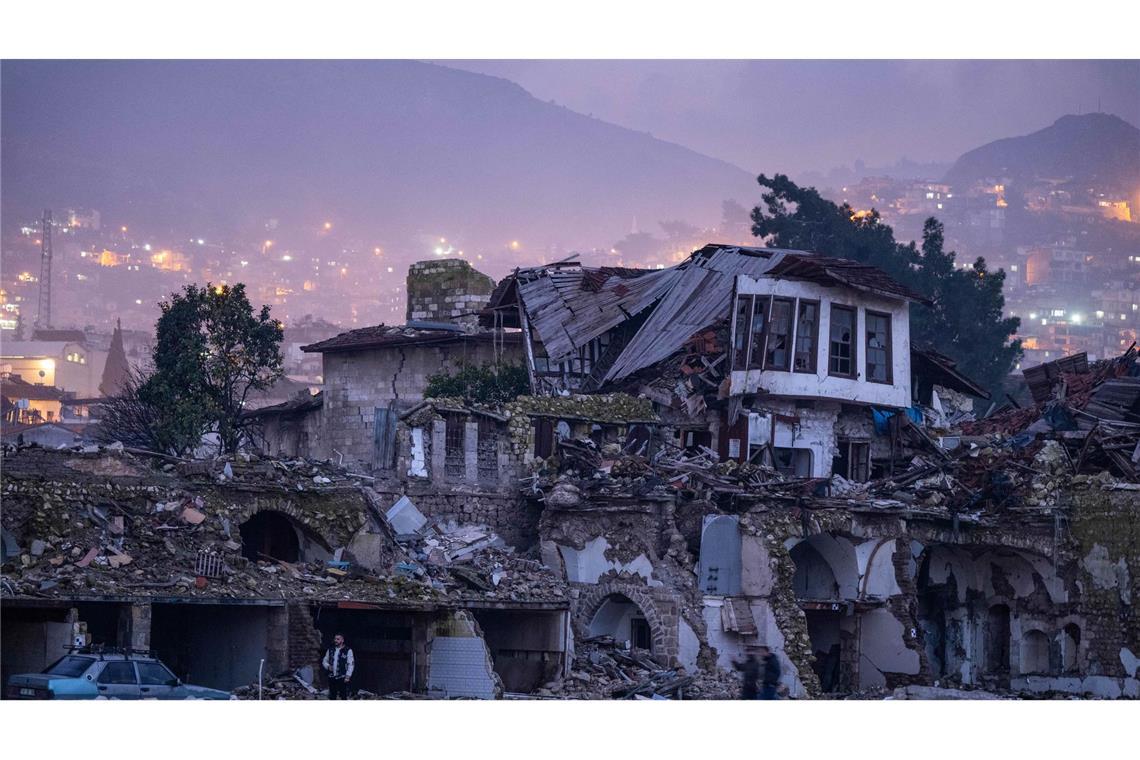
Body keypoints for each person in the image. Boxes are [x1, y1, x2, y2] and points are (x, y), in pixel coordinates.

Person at [322, 633, 355, 700]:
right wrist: (327, 666)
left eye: (338, 639)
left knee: (343, 696)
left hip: (342, 677)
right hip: (332, 677)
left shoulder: (348, 650)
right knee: (332, 696)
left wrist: (348, 676)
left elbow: (351, 664)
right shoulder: (330, 650)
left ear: (342, 640)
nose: (335, 640)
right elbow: (324, 660)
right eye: (335, 639)